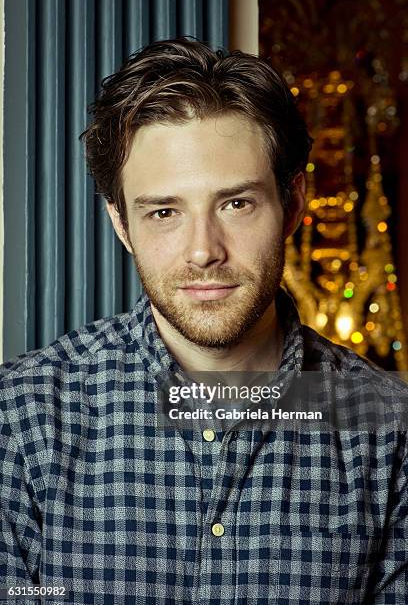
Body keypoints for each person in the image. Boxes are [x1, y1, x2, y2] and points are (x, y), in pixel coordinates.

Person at [0, 37, 407, 604]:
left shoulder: (391, 435)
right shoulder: (19, 422)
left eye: (235, 203)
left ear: (293, 204)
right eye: (164, 212)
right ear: (121, 223)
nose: (202, 251)